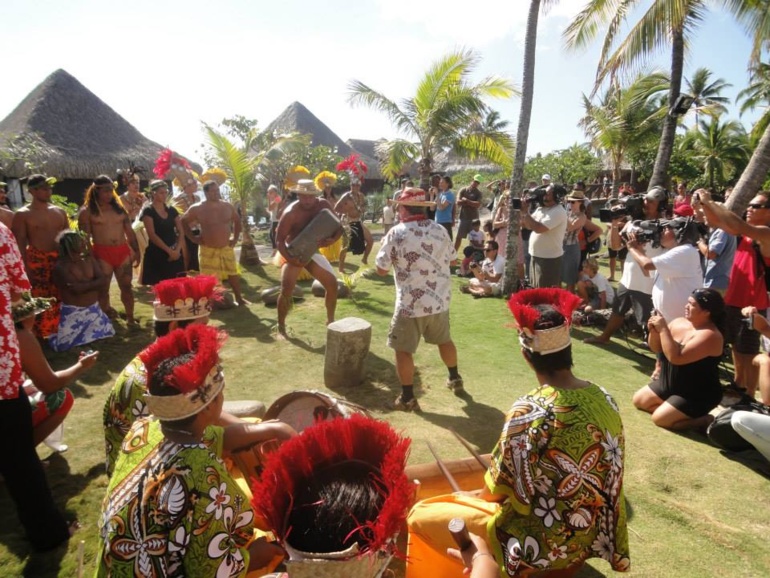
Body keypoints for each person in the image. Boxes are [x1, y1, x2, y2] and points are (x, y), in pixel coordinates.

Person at [406, 288, 629, 577]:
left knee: (420, 515)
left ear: (526, 355)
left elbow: (497, 490)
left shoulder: (530, 410)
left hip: (546, 540)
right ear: (569, 351)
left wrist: (469, 496)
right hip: (591, 530)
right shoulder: (604, 396)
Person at [95, 324, 294, 576]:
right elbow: (213, 571)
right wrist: (260, 552)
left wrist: (275, 429)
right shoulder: (203, 476)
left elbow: (219, 437)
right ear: (212, 405)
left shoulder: (146, 428)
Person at [0, 221, 73, 551]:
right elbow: (19, 295)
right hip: (3, 383)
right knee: (21, 464)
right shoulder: (1, 233)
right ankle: (48, 533)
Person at [102, 274, 219, 475]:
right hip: (149, 475)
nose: (208, 332)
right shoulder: (151, 381)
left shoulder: (167, 364)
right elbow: (183, 442)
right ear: (174, 328)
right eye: (203, 326)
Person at [375, 187, 463, 411]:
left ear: (404, 208)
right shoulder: (440, 230)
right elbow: (453, 261)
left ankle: (407, 398)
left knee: (403, 350)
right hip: (439, 301)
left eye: (399, 206)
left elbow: (381, 269)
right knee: (445, 340)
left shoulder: (397, 233)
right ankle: (455, 378)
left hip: (410, 305)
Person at [696, 189, 770, 396]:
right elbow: (715, 222)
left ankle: (748, 395)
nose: (749, 208)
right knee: (737, 348)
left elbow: (737, 225)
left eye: (755, 206)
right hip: (734, 298)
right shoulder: (748, 234)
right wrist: (705, 204)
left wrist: (711, 201)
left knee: (749, 351)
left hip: (753, 303)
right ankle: (738, 385)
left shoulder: (765, 233)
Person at [14, 293, 98, 448]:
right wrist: (81, 366)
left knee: (30, 386)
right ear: (24, 316)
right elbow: (49, 384)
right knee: (61, 397)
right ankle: (19, 456)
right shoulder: (19, 335)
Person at [632, 289, 725, 430]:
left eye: (692, 305)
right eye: (688, 302)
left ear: (707, 312)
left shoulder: (711, 336)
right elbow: (656, 348)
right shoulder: (678, 322)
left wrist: (663, 330)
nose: (686, 306)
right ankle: (673, 409)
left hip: (696, 393)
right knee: (639, 401)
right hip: (670, 383)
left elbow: (676, 358)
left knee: (660, 419)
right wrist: (654, 331)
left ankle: (704, 420)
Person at [585, 187, 667, 345]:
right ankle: (604, 337)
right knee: (618, 311)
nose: (646, 203)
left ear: (661, 205)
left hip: (648, 282)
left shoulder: (664, 226)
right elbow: (616, 247)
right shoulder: (633, 223)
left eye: (651, 201)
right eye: (645, 200)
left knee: (650, 319)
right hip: (628, 279)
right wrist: (615, 225)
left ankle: (659, 358)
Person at [275, 179, 342, 338]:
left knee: (332, 285)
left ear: (315, 195)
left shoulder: (324, 205)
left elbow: (338, 227)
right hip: (294, 252)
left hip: (312, 251)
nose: (307, 200)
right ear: (297, 195)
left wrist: (332, 239)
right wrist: (291, 260)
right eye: (303, 196)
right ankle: (281, 325)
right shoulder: (290, 213)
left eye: (310, 196)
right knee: (286, 290)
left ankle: (330, 321)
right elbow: (279, 240)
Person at [11, 174, 69, 337]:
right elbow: (19, 244)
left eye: (49, 188)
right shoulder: (23, 214)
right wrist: (25, 268)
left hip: (58, 259)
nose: (48, 191)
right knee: (39, 297)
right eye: (44, 188)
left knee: (60, 293)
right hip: (36, 260)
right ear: (32, 191)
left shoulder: (59, 211)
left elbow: (67, 238)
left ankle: (60, 329)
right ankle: (38, 332)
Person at [78, 175, 140, 324]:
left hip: (122, 251)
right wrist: (90, 258)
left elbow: (129, 232)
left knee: (126, 286)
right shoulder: (87, 212)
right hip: (101, 253)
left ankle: (131, 317)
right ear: (96, 191)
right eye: (105, 191)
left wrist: (136, 251)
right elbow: (84, 238)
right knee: (103, 288)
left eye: (111, 190)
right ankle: (106, 318)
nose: (109, 194)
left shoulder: (119, 209)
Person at [625, 216, 703, 324]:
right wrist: (639, 250)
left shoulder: (686, 250)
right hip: (665, 319)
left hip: (679, 321)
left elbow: (647, 265)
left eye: (666, 229)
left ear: (678, 232)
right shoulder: (669, 252)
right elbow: (647, 272)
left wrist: (632, 249)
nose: (661, 232)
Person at [182, 180, 249, 305]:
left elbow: (237, 221)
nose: (216, 193)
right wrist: (192, 238)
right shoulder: (197, 208)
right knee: (208, 277)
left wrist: (235, 238)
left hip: (226, 247)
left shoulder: (227, 206)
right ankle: (210, 302)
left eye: (217, 190)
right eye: (213, 191)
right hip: (208, 247)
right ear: (206, 193)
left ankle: (239, 298)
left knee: (233, 273)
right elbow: (183, 222)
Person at [49, 230, 116, 351]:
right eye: (80, 241)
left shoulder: (88, 259)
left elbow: (103, 281)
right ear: (71, 245)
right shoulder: (61, 266)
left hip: (94, 309)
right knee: (62, 346)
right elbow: (76, 290)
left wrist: (84, 286)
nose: (84, 243)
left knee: (106, 334)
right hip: (73, 312)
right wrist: (94, 284)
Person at [140, 180, 187, 285]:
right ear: (153, 193)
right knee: (160, 288)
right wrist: (169, 252)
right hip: (158, 252)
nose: (164, 195)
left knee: (179, 285)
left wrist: (177, 250)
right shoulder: (148, 211)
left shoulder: (172, 210)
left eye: (166, 192)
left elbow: (180, 231)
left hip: (175, 251)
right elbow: (152, 235)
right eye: (161, 192)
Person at [521, 184, 568, 288]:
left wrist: (525, 213)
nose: (544, 196)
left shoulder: (558, 211)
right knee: (535, 288)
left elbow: (538, 228)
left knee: (546, 292)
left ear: (557, 196)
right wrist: (523, 211)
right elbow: (528, 226)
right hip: (536, 255)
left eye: (547, 194)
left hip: (549, 259)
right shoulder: (540, 209)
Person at [335, 154, 373, 273]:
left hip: (357, 221)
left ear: (359, 186)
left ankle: (364, 260)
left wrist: (362, 209)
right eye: (353, 185)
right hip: (347, 222)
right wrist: (345, 211)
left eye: (357, 185)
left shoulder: (361, 196)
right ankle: (341, 268)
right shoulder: (346, 196)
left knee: (370, 241)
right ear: (350, 185)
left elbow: (364, 207)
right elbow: (336, 208)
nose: (355, 187)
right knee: (345, 246)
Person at [119, 172, 150, 283]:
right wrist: (131, 214)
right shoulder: (121, 199)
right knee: (129, 256)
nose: (136, 185)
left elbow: (148, 213)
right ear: (127, 184)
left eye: (137, 182)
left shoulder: (143, 197)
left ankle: (144, 277)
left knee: (146, 251)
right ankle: (127, 279)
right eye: (133, 182)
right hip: (126, 230)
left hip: (141, 230)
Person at [171, 178, 202, 272]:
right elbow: (180, 217)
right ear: (187, 185)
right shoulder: (178, 198)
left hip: (197, 229)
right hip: (185, 230)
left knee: (197, 254)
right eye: (194, 183)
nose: (197, 185)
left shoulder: (197, 198)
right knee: (187, 255)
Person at [562, 189, 588, 292]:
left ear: (580, 202)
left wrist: (562, 212)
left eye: (573, 202)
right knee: (559, 274)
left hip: (572, 248)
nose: (570, 203)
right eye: (569, 201)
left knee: (570, 278)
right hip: (562, 246)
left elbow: (570, 227)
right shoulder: (569, 213)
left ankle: (569, 301)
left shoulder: (582, 216)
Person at [454, 174, 484, 252]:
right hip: (463, 217)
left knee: (473, 239)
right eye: (475, 181)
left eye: (477, 182)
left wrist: (466, 201)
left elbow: (477, 204)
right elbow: (458, 202)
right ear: (472, 180)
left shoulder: (479, 193)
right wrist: (471, 203)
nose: (475, 183)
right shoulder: (463, 190)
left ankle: (471, 256)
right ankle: (453, 255)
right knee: (458, 237)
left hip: (473, 219)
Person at [435, 175, 456, 240]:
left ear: (447, 184)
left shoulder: (450, 195)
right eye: (440, 182)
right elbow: (432, 208)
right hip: (437, 221)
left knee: (447, 242)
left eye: (442, 182)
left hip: (445, 222)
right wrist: (432, 195)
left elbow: (441, 208)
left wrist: (437, 195)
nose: (440, 184)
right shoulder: (440, 194)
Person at [267, 184, 282, 257]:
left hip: (277, 220)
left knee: (274, 235)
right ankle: (275, 250)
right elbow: (270, 210)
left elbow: (270, 208)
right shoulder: (274, 200)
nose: (269, 194)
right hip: (273, 220)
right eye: (269, 192)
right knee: (271, 235)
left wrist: (268, 199)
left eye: (271, 192)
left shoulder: (278, 198)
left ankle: (276, 251)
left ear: (275, 192)